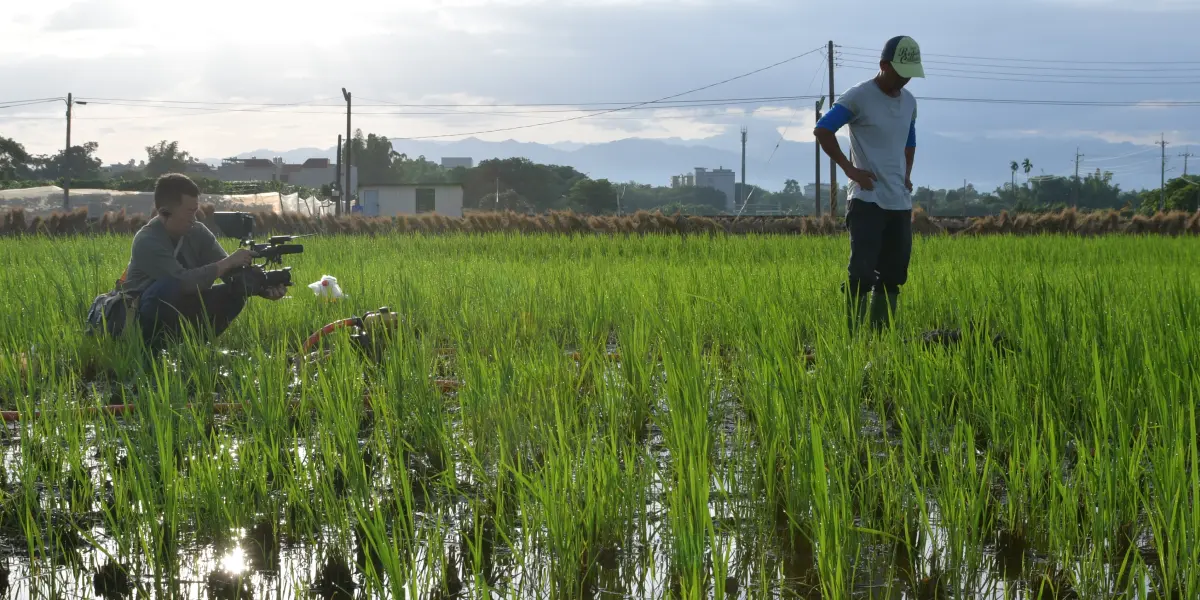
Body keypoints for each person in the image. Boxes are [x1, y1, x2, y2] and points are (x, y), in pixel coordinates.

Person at [813, 35, 924, 333]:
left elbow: (909, 140)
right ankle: (852, 339)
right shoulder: (858, 96)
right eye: (900, 72)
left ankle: (880, 338)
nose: (905, 80)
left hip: (899, 202)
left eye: (910, 74)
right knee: (861, 273)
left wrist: (906, 174)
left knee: (894, 274)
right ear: (883, 65)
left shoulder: (910, 103)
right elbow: (823, 129)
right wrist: (851, 170)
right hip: (867, 199)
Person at [118, 173, 286, 349]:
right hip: (142, 314)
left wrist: (262, 287)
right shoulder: (147, 240)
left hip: (181, 304)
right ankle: (153, 348)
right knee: (167, 288)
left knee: (235, 291)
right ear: (164, 213)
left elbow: (231, 274)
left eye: (195, 210)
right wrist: (229, 262)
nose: (194, 217)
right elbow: (183, 282)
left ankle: (194, 347)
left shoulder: (197, 231)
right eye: (189, 211)